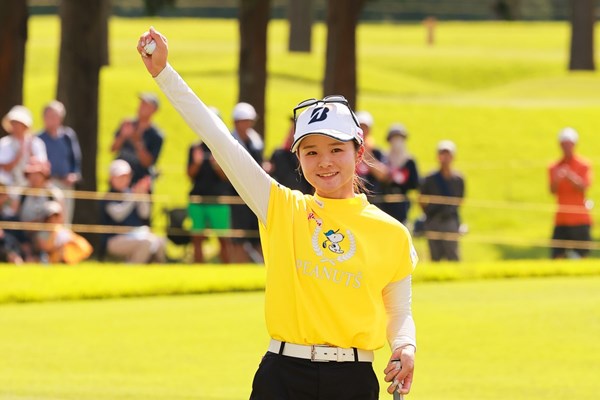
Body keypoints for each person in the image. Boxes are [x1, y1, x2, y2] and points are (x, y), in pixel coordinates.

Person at [138, 27, 417, 399]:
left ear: (359, 152)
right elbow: (218, 138)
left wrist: (405, 346)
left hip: (353, 380)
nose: (325, 162)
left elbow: (399, 310)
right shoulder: (282, 206)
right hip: (283, 375)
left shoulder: (391, 233)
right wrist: (164, 74)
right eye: (312, 151)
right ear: (298, 159)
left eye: (336, 149)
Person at [100, 159, 166, 264]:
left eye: (126, 176)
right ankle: (130, 271)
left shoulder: (131, 193)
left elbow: (145, 214)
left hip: (136, 234)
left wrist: (142, 194)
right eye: (120, 176)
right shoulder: (108, 196)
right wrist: (134, 196)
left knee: (160, 241)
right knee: (147, 242)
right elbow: (118, 216)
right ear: (111, 178)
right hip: (114, 239)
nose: (123, 179)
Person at [187, 127, 233, 263]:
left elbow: (228, 177)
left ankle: (227, 270)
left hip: (218, 200)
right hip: (197, 199)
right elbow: (190, 174)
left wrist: (217, 165)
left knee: (223, 239)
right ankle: (198, 269)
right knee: (197, 238)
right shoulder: (195, 148)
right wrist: (197, 163)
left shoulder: (223, 148)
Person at [548, 127, 592, 259]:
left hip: (580, 218)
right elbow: (552, 190)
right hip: (561, 219)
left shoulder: (584, 165)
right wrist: (557, 178)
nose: (566, 147)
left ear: (574, 145)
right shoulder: (553, 166)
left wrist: (570, 176)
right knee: (557, 256)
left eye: (569, 144)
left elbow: (584, 187)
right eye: (563, 144)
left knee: (582, 255)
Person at [229, 101, 264, 263]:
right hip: (235, 196)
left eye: (249, 120)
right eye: (243, 120)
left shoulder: (256, 141)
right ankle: (238, 265)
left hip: (254, 195)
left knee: (256, 236)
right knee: (237, 238)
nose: (247, 124)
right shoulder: (230, 141)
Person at [37, 100, 82, 225]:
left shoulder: (68, 136)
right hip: (48, 184)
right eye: (49, 116)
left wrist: (74, 175)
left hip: (66, 184)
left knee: (66, 218)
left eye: (55, 116)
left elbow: (76, 159)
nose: (52, 119)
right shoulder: (38, 138)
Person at [419, 140, 465, 262]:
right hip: (433, 220)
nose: (445, 157)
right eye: (442, 154)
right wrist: (429, 213)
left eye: (448, 154)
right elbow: (421, 199)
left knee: (453, 255)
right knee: (435, 256)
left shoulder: (458, 179)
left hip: (450, 220)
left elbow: (460, 200)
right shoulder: (429, 178)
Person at [110, 92, 164, 186]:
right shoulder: (127, 124)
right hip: (119, 182)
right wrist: (122, 136)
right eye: (141, 103)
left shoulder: (156, 135)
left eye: (146, 105)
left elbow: (148, 163)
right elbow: (113, 149)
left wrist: (136, 141)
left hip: (140, 183)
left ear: (154, 110)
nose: (141, 107)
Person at [380, 123, 420, 225]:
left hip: (402, 203)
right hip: (384, 203)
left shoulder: (410, 161)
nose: (397, 142)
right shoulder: (384, 158)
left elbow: (415, 184)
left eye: (399, 138)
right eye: (394, 138)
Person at [0, 105, 48, 188]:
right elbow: (5, 168)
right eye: (13, 123)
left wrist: (30, 154)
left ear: (25, 125)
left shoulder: (36, 143)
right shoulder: (4, 143)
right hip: (8, 187)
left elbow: (43, 167)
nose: (15, 126)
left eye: (19, 123)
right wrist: (18, 156)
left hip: (30, 188)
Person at [35, 201, 93, 265]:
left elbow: (87, 249)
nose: (53, 220)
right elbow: (46, 249)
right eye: (50, 218)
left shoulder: (64, 232)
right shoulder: (42, 234)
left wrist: (72, 242)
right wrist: (54, 234)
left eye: (56, 217)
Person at [265, 116, 312, 194]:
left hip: (302, 199)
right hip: (282, 197)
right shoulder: (278, 153)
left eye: (295, 130)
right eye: (291, 129)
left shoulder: (307, 155)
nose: (291, 133)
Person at [354, 111, 389, 207]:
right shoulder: (348, 150)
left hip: (373, 202)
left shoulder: (376, 152)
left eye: (365, 128)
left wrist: (367, 157)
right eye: (360, 126)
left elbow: (383, 175)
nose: (363, 130)